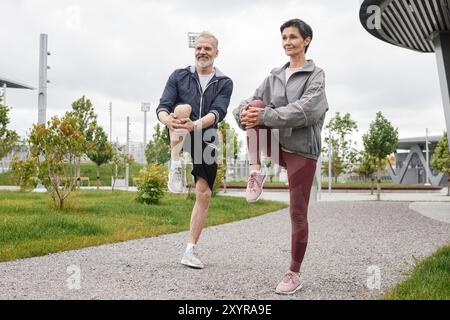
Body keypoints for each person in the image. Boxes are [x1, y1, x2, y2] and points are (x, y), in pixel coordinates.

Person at [233, 19, 328, 294]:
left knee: (297, 213)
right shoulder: (273, 76)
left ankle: (294, 272)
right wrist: (246, 113)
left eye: (293, 37)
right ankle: (255, 171)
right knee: (254, 104)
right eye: (284, 38)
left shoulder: (316, 75)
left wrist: (263, 115)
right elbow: (247, 104)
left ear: (306, 41)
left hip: (302, 151)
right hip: (275, 145)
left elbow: (306, 111)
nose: (288, 42)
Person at [156, 31, 233, 269]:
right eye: (198, 48)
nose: (202, 52)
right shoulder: (179, 76)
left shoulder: (224, 82)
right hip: (179, 129)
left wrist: (196, 125)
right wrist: (166, 120)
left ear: (216, 53)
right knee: (182, 108)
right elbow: (163, 106)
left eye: (207, 48)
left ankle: (191, 249)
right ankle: (175, 165)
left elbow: (218, 112)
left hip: (205, 133)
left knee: (205, 193)